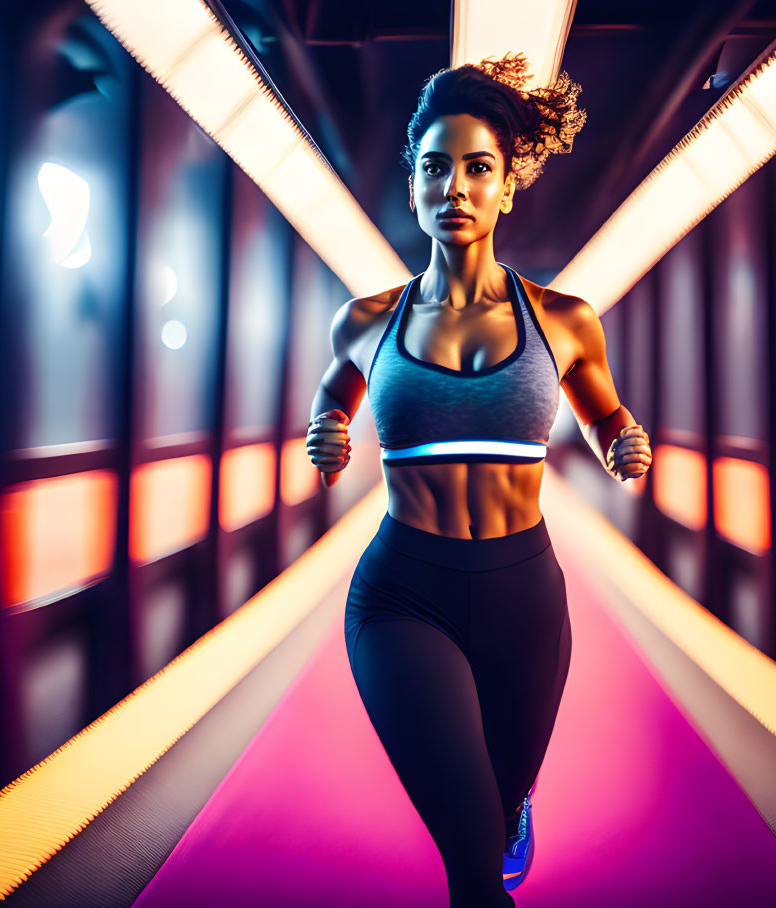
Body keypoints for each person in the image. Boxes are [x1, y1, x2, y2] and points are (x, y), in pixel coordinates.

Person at [305, 52, 652, 908]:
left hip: (523, 597)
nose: (453, 187)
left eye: (476, 168)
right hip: (401, 596)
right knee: (471, 866)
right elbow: (332, 395)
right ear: (414, 186)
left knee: (495, 819)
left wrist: (621, 440)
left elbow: (606, 413)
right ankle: (486, 834)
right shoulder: (365, 322)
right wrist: (328, 432)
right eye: (434, 168)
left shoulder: (564, 321)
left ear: (505, 187)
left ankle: (511, 808)